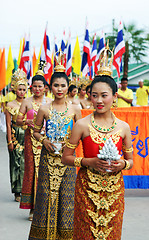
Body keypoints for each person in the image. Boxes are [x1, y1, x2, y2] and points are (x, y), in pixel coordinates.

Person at [62, 45, 133, 240]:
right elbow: (66, 157)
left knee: (112, 233)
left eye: (104, 95)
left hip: (114, 190)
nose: (99, 100)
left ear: (114, 97)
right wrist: (89, 162)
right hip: (87, 188)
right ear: (90, 97)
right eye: (94, 95)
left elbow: (130, 161)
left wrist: (123, 164)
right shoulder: (82, 125)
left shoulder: (124, 127)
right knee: (85, 233)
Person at [28, 56, 81, 239]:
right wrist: (44, 141)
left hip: (67, 159)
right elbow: (35, 131)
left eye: (63, 85)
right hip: (47, 157)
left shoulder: (75, 109)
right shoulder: (44, 108)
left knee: (66, 198)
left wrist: (70, 145)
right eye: (56, 85)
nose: (59, 89)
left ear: (68, 87)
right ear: (50, 87)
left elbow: (80, 133)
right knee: (45, 197)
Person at [16, 70, 52, 220]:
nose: (37, 89)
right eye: (35, 86)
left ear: (45, 87)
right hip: (31, 140)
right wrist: (26, 122)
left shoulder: (50, 102)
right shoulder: (27, 102)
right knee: (32, 173)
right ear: (31, 88)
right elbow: (17, 120)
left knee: (47, 172)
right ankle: (33, 208)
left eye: (40, 86)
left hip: (47, 141)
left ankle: (46, 207)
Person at [5, 69, 28, 202]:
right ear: (15, 89)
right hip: (15, 134)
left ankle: (26, 190)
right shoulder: (10, 105)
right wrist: (9, 141)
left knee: (27, 163)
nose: (21, 92)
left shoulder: (29, 103)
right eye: (19, 89)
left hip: (27, 134)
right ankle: (17, 191)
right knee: (16, 163)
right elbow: (8, 124)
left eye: (24, 89)